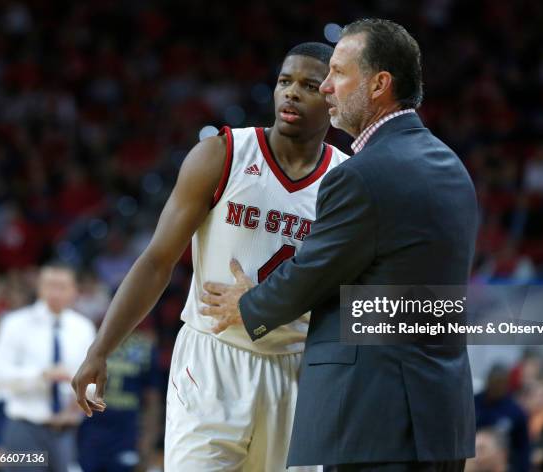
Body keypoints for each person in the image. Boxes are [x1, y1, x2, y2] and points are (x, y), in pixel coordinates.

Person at [200, 18, 478, 471]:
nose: (326, 87)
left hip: (373, 421)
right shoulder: (451, 167)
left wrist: (247, 305)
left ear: (379, 85)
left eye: (339, 73)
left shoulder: (362, 174)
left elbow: (312, 273)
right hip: (440, 418)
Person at [72, 42, 349, 471]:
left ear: (334, 97)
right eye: (283, 81)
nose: (291, 93)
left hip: (296, 369)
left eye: (309, 85)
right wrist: (101, 348)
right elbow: (156, 260)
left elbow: (352, 290)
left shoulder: (346, 180)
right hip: (212, 359)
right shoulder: (222, 154)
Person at [0, 263, 96, 472]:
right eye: (49, 285)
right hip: (25, 427)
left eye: (62, 286)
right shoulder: (16, 323)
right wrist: (41, 376)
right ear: (39, 288)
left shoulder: (83, 328)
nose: (55, 292)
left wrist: (74, 390)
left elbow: (94, 385)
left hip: (67, 431)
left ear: (74, 290)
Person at [77, 327, 161, 472]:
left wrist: (148, 439)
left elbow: (153, 398)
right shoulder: (92, 342)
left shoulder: (145, 348)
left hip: (127, 430)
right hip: (92, 428)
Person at [475, 364, 530, 472]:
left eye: (500, 383)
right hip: (475, 460)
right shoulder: (473, 403)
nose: (496, 387)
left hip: (504, 463)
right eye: (494, 382)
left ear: (506, 384)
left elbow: (523, 446)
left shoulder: (515, 411)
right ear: (488, 381)